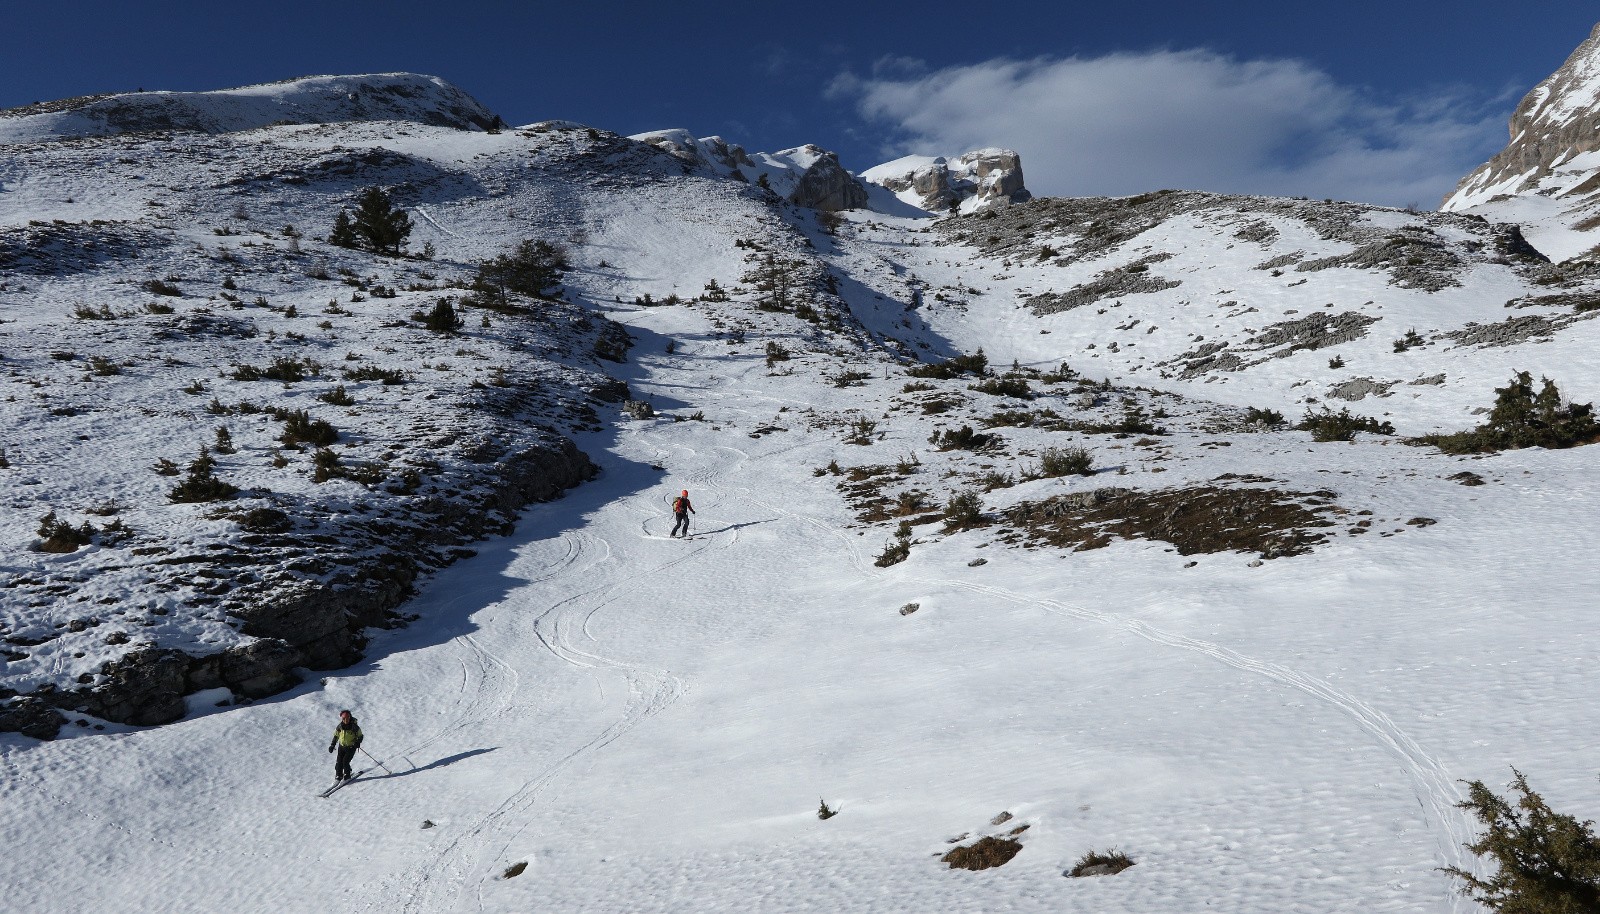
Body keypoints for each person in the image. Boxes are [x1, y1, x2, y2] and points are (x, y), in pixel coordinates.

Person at [328, 709, 363, 781]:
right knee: (339, 762)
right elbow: (336, 736)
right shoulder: (340, 726)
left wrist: (357, 742)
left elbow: (360, 736)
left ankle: (347, 775)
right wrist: (332, 745)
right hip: (341, 747)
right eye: (344, 718)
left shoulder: (354, 727)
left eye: (347, 718)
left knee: (345, 761)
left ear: (349, 717)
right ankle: (338, 775)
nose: (346, 720)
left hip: (351, 747)